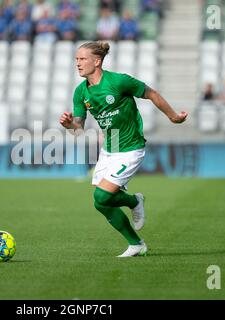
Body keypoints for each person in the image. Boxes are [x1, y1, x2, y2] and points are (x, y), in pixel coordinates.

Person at [59, 42, 188, 257]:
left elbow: (152, 93)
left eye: (82, 59)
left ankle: (133, 201)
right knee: (101, 204)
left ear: (97, 61)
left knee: (102, 196)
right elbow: (78, 129)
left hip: (130, 147)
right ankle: (136, 244)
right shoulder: (81, 92)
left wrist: (173, 117)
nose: (78, 63)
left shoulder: (118, 81)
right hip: (111, 147)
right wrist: (69, 125)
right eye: (76, 59)